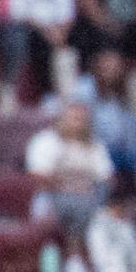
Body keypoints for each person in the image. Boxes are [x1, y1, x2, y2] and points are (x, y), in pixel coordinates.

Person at [25, 98, 113, 239]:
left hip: (88, 200)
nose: (77, 123)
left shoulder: (96, 146)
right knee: (45, 206)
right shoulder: (45, 141)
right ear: (62, 118)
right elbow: (39, 176)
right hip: (53, 198)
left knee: (104, 215)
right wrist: (73, 184)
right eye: (73, 118)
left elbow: (106, 177)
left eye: (81, 119)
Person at [86, 178, 136, 272]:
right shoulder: (99, 225)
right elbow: (100, 255)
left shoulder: (128, 224)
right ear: (116, 205)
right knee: (117, 270)